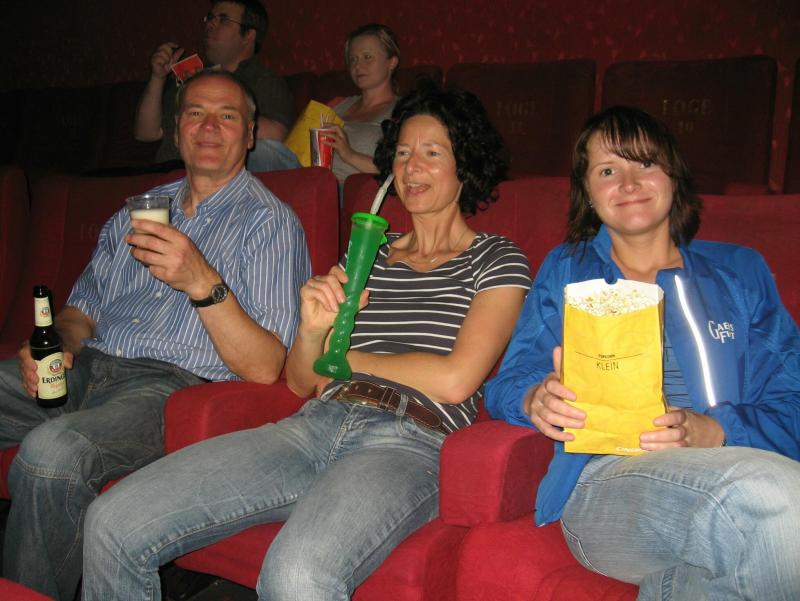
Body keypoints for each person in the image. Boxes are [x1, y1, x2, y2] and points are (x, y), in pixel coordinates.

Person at [81, 83, 531, 600]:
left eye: (432, 153)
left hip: (410, 440)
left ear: (464, 164)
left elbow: (455, 380)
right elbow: (301, 381)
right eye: (403, 153)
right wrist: (312, 329)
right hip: (314, 423)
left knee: (296, 576)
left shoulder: (497, 258)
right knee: (112, 522)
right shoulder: (368, 252)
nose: (411, 168)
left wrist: (343, 358)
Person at [0, 68, 311, 601]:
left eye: (227, 116)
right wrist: (59, 342)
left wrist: (201, 281)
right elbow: (80, 312)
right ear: (176, 128)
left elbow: (265, 367)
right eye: (196, 113)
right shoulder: (136, 211)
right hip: (86, 368)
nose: (209, 127)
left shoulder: (271, 223)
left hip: (167, 390)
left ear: (250, 134)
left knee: (53, 453)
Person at [485, 106, 800, 600]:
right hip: (606, 483)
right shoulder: (567, 269)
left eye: (645, 163)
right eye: (607, 171)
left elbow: (792, 402)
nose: (629, 183)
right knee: (779, 500)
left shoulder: (739, 272)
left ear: (673, 174)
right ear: (588, 193)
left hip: (734, 467)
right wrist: (533, 399)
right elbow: (507, 382)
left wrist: (716, 430)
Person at [135, 0, 299, 172]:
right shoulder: (192, 77)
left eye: (224, 20)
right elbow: (145, 133)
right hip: (170, 173)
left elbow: (276, 137)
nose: (210, 24)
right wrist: (157, 78)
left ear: (248, 37)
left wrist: (212, 98)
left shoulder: (263, 79)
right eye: (210, 17)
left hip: (220, 173)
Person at [322, 23, 400, 186]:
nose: (357, 65)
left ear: (391, 62)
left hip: (346, 190)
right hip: (309, 181)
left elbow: (401, 170)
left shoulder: (403, 111)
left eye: (367, 57)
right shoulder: (337, 104)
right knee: (270, 150)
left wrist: (349, 154)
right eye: (353, 59)